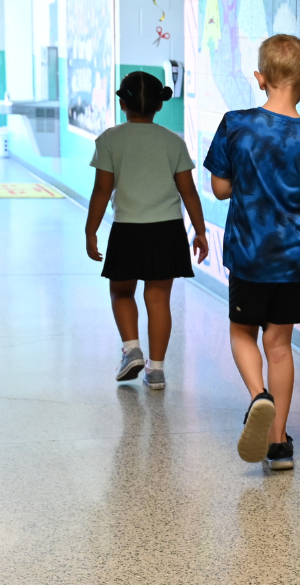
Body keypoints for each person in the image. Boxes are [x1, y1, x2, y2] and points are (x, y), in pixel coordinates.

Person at [203, 34, 300, 470]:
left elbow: (219, 189)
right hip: (295, 259)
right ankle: (278, 446)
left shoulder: (235, 124)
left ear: (259, 79)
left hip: (249, 255)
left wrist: (249, 183)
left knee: (243, 334)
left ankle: (259, 397)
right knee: (280, 346)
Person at [85, 71, 208, 389]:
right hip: (166, 230)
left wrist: (91, 231)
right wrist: (200, 230)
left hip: (128, 229)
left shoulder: (110, 139)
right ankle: (156, 370)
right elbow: (189, 192)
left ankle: (131, 349)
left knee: (121, 291)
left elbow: (101, 191)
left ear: (122, 103)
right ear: (159, 105)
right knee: (158, 299)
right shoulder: (173, 141)